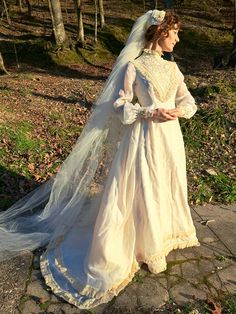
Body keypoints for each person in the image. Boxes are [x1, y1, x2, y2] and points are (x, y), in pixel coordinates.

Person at [0, 10, 199, 309]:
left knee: (166, 185)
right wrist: (149, 112)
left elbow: (189, 101)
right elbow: (120, 106)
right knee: (142, 186)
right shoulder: (133, 67)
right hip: (142, 139)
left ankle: (162, 238)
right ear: (160, 33)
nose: (178, 38)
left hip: (170, 139)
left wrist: (178, 111)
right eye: (175, 32)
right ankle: (145, 247)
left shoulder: (174, 70)